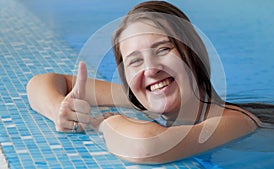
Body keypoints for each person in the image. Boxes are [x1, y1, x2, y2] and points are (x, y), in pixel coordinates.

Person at [26, 1, 262, 164]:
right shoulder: (147, 99)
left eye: (163, 49)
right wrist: (61, 110)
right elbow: (40, 83)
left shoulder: (235, 121)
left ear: (194, 53)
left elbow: (146, 146)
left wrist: (105, 123)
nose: (150, 69)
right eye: (135, 61)